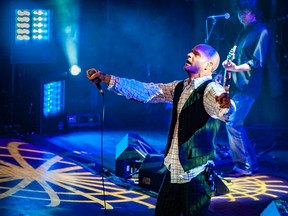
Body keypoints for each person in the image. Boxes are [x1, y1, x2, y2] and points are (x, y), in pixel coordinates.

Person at [86, 43, 235, 215]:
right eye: (190, 51)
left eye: (196, 54)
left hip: (195, 175)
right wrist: (107, 78)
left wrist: (227, 106)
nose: (189, 54)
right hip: (173, 170)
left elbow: (225, 111)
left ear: (209, 66)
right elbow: (146, 91)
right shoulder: (180, 87)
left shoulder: (211, 88)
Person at [218, 0, 271, 177]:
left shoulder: (261, 31)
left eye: (245, 12)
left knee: (232, 122)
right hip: (238, 85)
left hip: (249, 86)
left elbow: (257, 62)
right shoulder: (243, 33)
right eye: (240, 12)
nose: (241, 16)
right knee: (236, 124)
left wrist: (235, 68)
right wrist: (224, 69)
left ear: (254, 12)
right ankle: (251, 164)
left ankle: (243, 166)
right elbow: (233, 56)